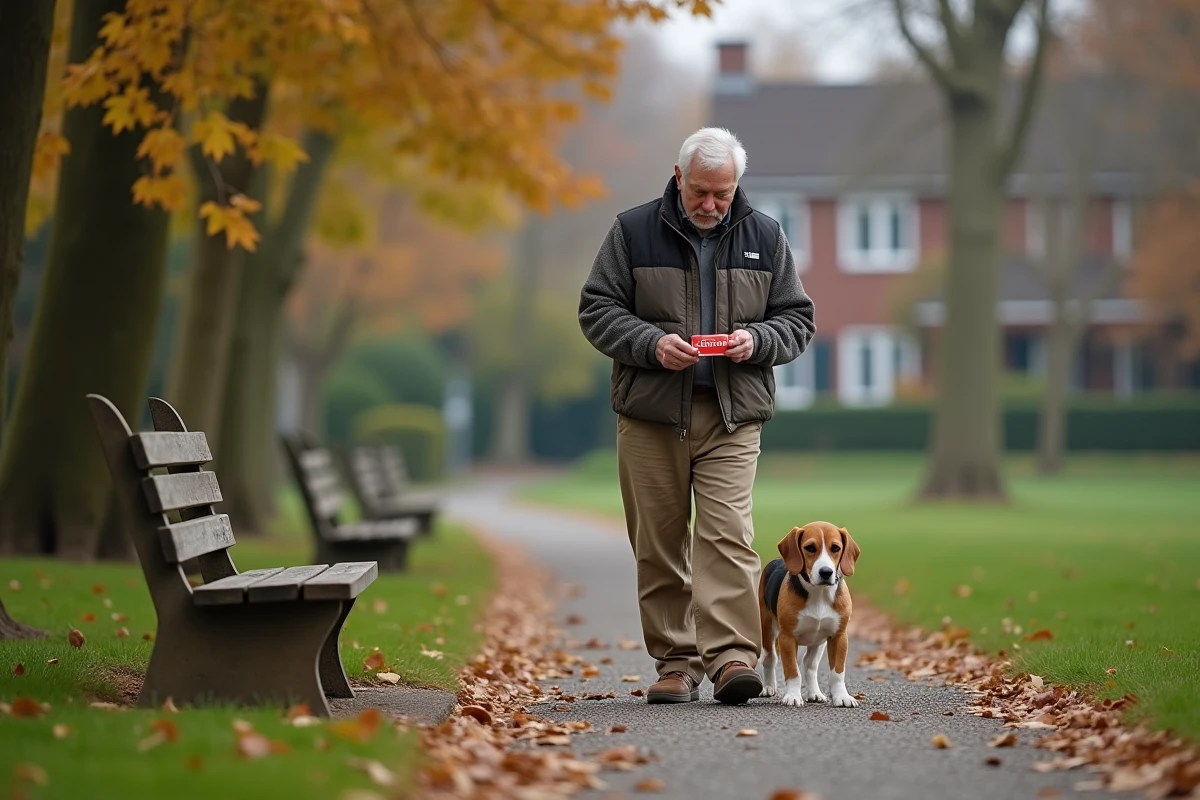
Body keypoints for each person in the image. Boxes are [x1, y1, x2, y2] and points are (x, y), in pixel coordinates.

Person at [577, 127, 816, 705]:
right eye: (701, 192)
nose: (711, 205)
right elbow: (596, 309)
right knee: (658, 543)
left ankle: (734, 658)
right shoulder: (632, 232)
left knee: (728, 538)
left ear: (737, 186)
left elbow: (797, 320)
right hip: (651, 417)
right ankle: (677, 663)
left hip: (733, 417)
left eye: (723, 194)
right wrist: (651, 344)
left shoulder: (766, 235)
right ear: (679, 177)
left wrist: (755, 341)